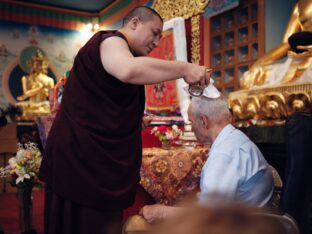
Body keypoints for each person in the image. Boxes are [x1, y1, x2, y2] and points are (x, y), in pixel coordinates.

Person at [38, 5, 210, 234]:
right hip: (79, 156)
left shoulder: (129, 53)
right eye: (155, 32)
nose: (157, 42)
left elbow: (106, 105)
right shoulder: (111, 40)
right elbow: (127, 70)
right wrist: (185, 68)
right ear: (135, 23)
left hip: (95, 158)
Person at [140, 94, 274, 224]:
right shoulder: (235, 139)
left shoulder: (224, 154)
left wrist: (162, 213)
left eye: (191, 122)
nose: (191, 128)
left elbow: (208, 215)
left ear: (204, 121)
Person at [241, 0, 312, 89]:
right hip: (300, 60)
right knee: (254, 77)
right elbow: (286, 43)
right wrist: (259, 63)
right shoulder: (301, 5)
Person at [16, 50, 54, 117]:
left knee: (50, 107)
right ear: (32, 64)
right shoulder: (25, 78)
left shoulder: (49, 80)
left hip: (43, 104)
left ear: (44, 65)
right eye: (36, 64)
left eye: (40, 64)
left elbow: (51, 96)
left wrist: (43, 90)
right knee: (18, 106)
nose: (38, 67)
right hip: (31, 104)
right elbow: (26, 94)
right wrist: (40, 88)